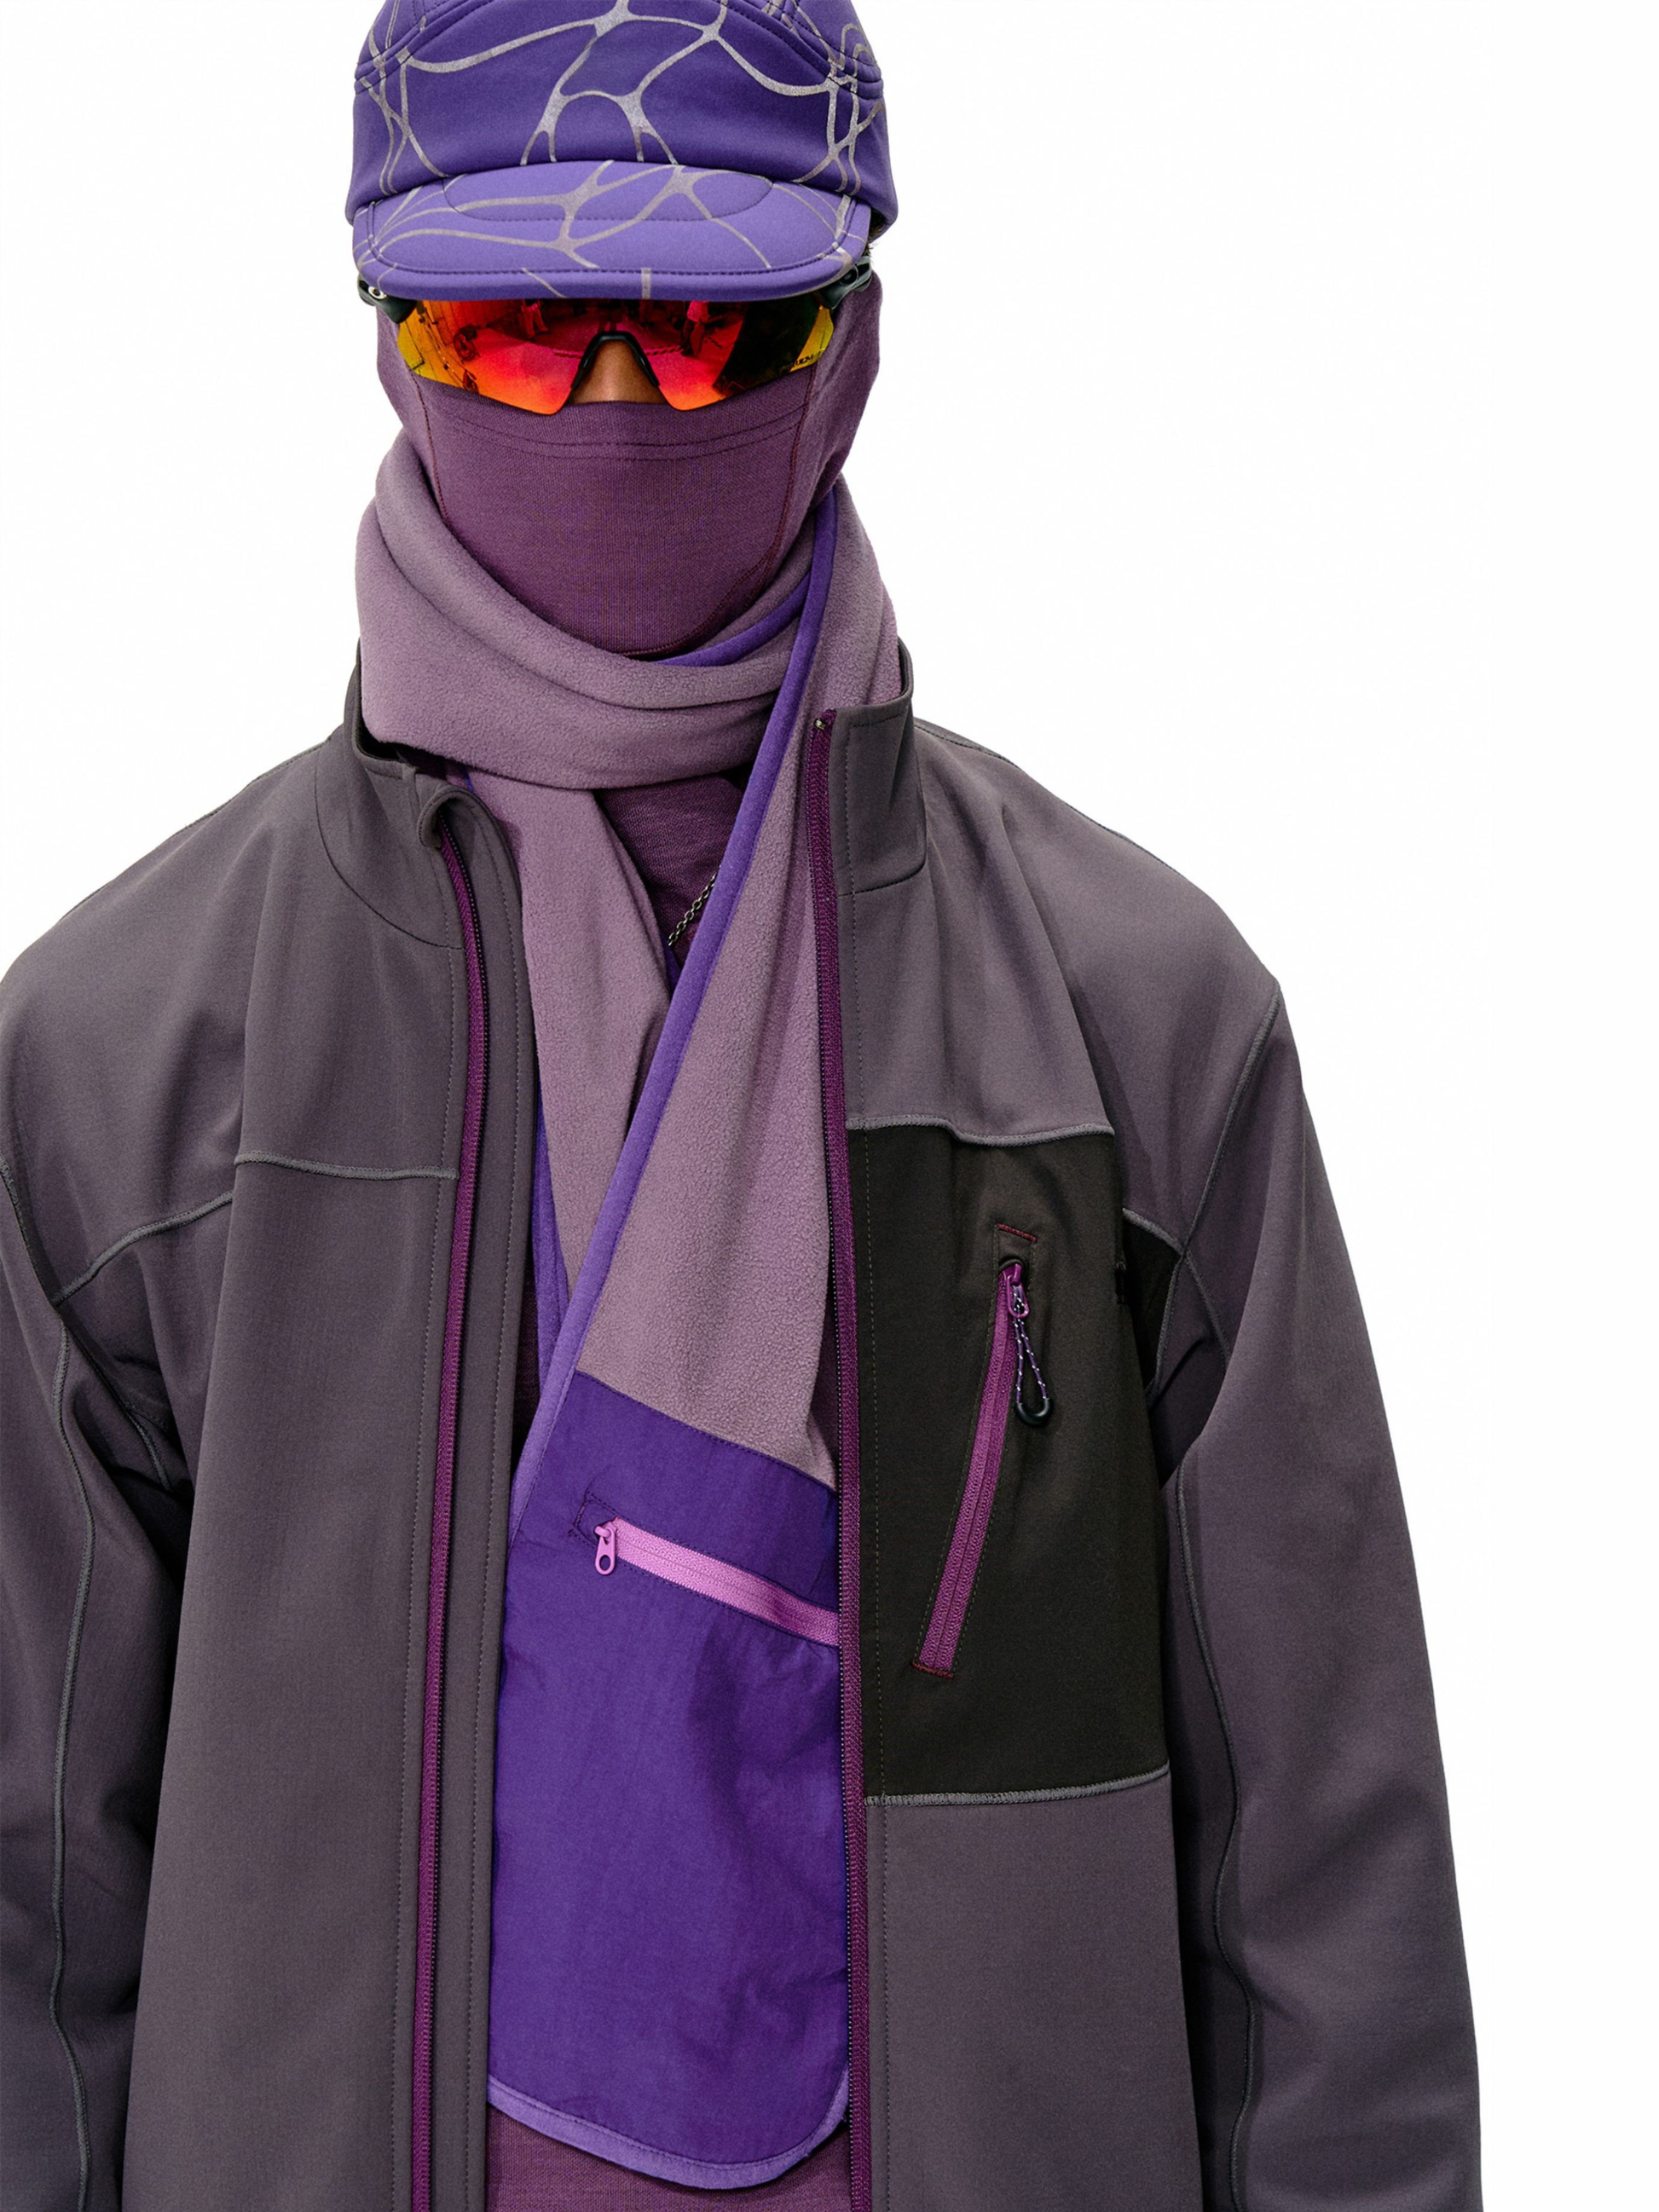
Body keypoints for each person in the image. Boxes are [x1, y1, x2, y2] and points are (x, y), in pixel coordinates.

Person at [0, 3, 1482, 2208]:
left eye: (706, 329)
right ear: (392, 341)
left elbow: (1321, 1855)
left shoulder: (1131, 1022)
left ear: (848, 339)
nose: (614, 410)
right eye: (520, 331)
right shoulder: (128, 1059)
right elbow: (28, 1878)